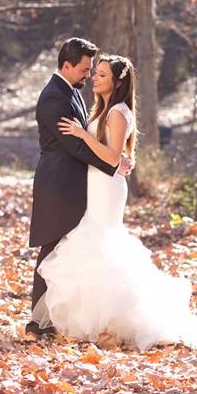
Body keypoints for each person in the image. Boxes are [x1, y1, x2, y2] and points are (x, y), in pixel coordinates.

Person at [34, 54, 197, 351]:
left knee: (100, 243)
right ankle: (96, 322)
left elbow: (112, 158)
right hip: (95, 183)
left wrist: (82, 135)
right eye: (94, 73)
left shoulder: (117, 113)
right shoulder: (104, 108)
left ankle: (112, 321)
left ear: (118, 82)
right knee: (88, 242)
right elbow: (119, 155)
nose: (94, 79)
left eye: (101, 75)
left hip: (107, 187)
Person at [27, 37, 132, 337]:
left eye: (93, 71)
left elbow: (98, 141)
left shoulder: (70, 91)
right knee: (52, 249)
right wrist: (112, 165)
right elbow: (73, 145)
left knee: (72, 249)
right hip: (59, 183)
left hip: (80, 184)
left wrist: (116, 160)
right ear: (66, 66)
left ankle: (60, 318)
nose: (88, 76)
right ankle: (38, 322)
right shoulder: (53, 97)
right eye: (85, 70)